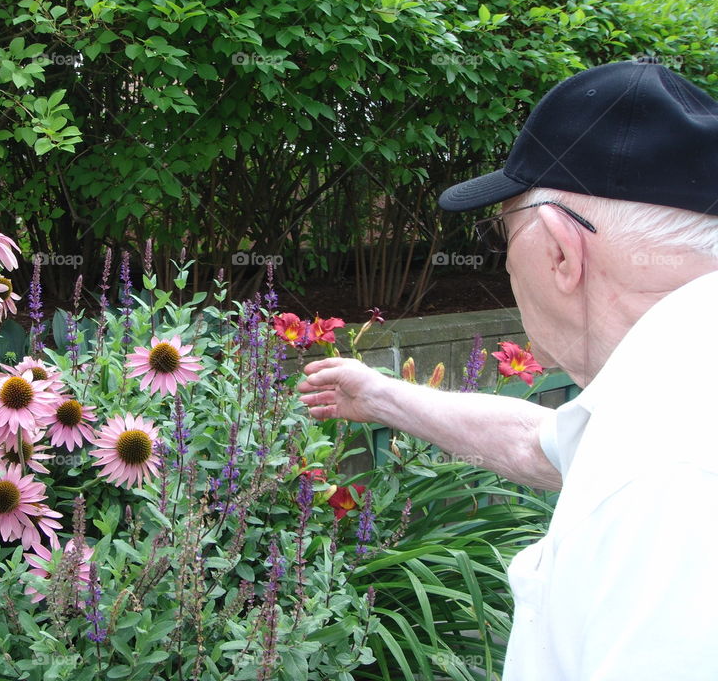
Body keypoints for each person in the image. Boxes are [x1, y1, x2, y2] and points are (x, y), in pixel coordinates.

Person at [297, 58, 718, 679]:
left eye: (503, 236)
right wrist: (379, 395)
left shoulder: (668, 479)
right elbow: (542, 446)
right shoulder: (670, 382)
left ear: (559, 249)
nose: (504, 266)